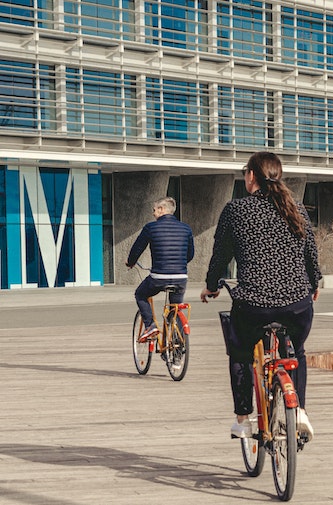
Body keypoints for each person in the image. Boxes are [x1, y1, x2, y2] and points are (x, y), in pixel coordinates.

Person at [200, 152, 322, 442]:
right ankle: (300, 411)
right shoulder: (296, 208)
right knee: (296, 352)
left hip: (253, 304)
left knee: (241, 353)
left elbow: (220, 255)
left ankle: (243, 420)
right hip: (297, 304)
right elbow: (311, 254)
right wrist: (314, 282)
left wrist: (211, 285)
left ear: (251, 176)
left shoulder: (236, 209)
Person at [126, 196, 195, 342]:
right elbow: (190, 255)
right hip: (180, 277)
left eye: (154, 210)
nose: (153, 213)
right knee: (175, 308)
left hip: (159, 277)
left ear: (162, 209)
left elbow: (137, 248)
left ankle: (150, 326)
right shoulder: (186, 228)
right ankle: (177, 343)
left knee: (140, 294)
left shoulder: (151, 228)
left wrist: (131, 262)